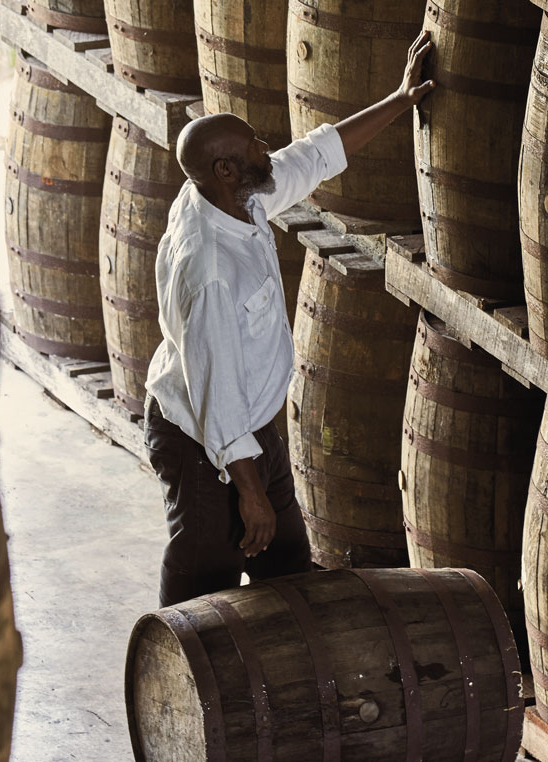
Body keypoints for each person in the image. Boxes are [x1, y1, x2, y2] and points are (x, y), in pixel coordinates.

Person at [143, 31, 437, 607]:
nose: (265, 148)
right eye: (253, 146)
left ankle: (289, 692)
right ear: (226, 168)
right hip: (204, 443)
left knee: (290, 574)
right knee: (205, 590)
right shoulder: (210, 268)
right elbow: (218, 391)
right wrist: (248, 489)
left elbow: (312, 156)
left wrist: (401, 99)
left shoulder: (233, 195)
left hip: (251, 432)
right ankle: (182, 693)